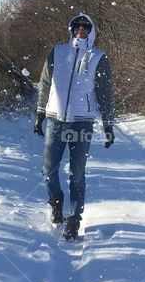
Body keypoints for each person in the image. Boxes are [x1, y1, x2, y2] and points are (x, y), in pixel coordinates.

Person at [34, 12, 116, 240]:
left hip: (82, 122)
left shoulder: (99, 57)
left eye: (85, 26)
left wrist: (108, 124)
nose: (81, 28)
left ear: (91, 31)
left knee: (77, 173)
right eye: (78, 25)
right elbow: (44, 83)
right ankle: (56, 203)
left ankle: (73, 219)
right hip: (55, 120)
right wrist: (40, 113)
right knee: (48, 169)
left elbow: (105, 93)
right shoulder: (57, 52)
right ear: (71, 29)